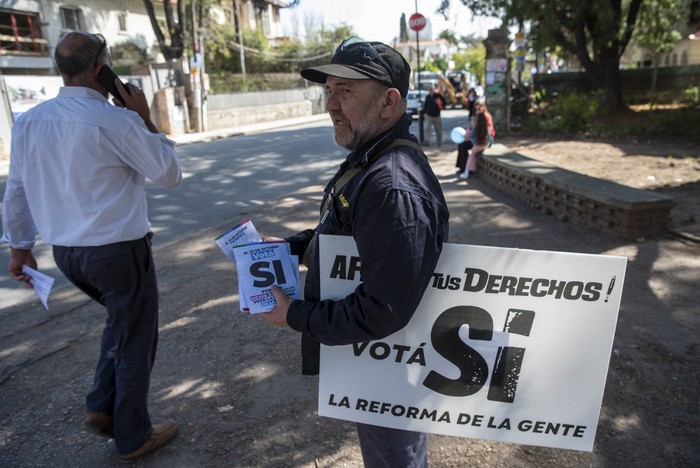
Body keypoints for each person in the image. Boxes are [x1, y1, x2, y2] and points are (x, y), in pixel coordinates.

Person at [259, 37, 449, 467]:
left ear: (388, 102)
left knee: (393, 456)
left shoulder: (392, 185)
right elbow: (356, 237)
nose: (331, 104)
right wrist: (295, 248)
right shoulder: (373, 158)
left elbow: (383, 309)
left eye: (346, 91)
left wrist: (294, 315)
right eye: (328, 91)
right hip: (374, 362)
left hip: (388, 366)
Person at [1, 32, 181, 462]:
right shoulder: (116, 121)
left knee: (120, 322)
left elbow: (17, 190)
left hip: (68, 255)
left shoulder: (29, 121)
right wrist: (144, 117)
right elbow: (169, 173)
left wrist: (20, 248)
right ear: (102, 68)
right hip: (118, 252)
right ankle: (134, 435)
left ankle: (101, 405)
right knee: (136, 337)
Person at [456, 112, 491, 179]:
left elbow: (470, 138)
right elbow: (489, 138)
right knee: (471, 154)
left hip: (477, 146)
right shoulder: (487, 128)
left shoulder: (475, 128)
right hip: (484, 145)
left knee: (471, 156)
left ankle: (466, 172)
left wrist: (467, 134)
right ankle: (469, 170)